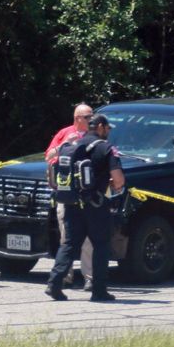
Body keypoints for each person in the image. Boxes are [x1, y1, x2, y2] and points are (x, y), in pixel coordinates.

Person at [45, 114, 124, 302]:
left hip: (72, 203)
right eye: (108, 128)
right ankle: (99, 291)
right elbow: (119, 180)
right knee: (101, 245)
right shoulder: (106, 148)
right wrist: (114, 184)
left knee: (69, 244)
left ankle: (54, 284)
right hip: (97, 205)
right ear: (101, 127)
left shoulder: (73, 146)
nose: (109, 132)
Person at [45, 103, 95, 290]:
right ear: (77, 119)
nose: (91, 119)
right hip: (66, 194)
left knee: (88, 239)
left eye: (92, 116)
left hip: (87, 194)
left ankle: (89, 277)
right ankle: (65, 276)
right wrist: (64, 146)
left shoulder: (94, 135)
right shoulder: (64, 133)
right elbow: (48, 157)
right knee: (66, 238)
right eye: (88, 116)